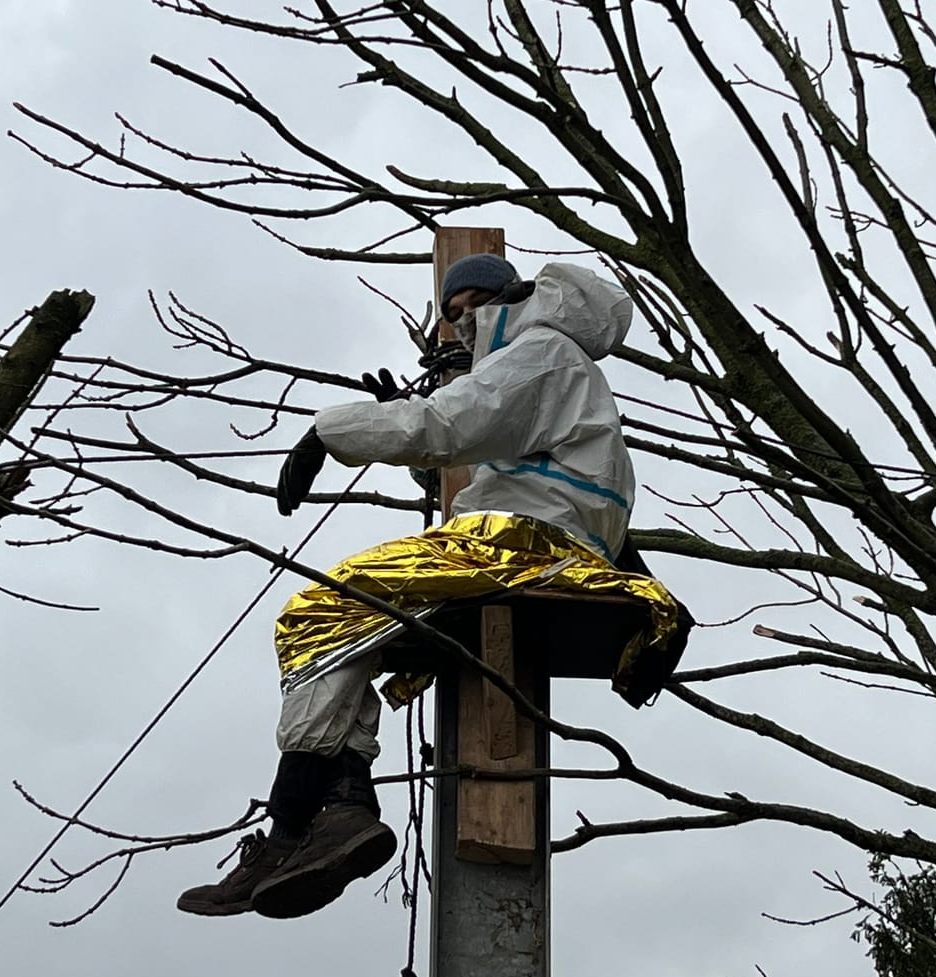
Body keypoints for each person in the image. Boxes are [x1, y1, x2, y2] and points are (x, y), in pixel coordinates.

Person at [178, 254, 684, 920]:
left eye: (471, 303)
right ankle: (317, 820)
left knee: (324, 610)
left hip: (532, 545)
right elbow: (474, 440)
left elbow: (444, 426)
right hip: (530, 537)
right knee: (352, 630)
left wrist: (330, 431)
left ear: (512, 296)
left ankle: (309, 819)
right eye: (449, 313)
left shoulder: (541, 353)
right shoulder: (536, 364)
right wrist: (415, 417)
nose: (460, 321)